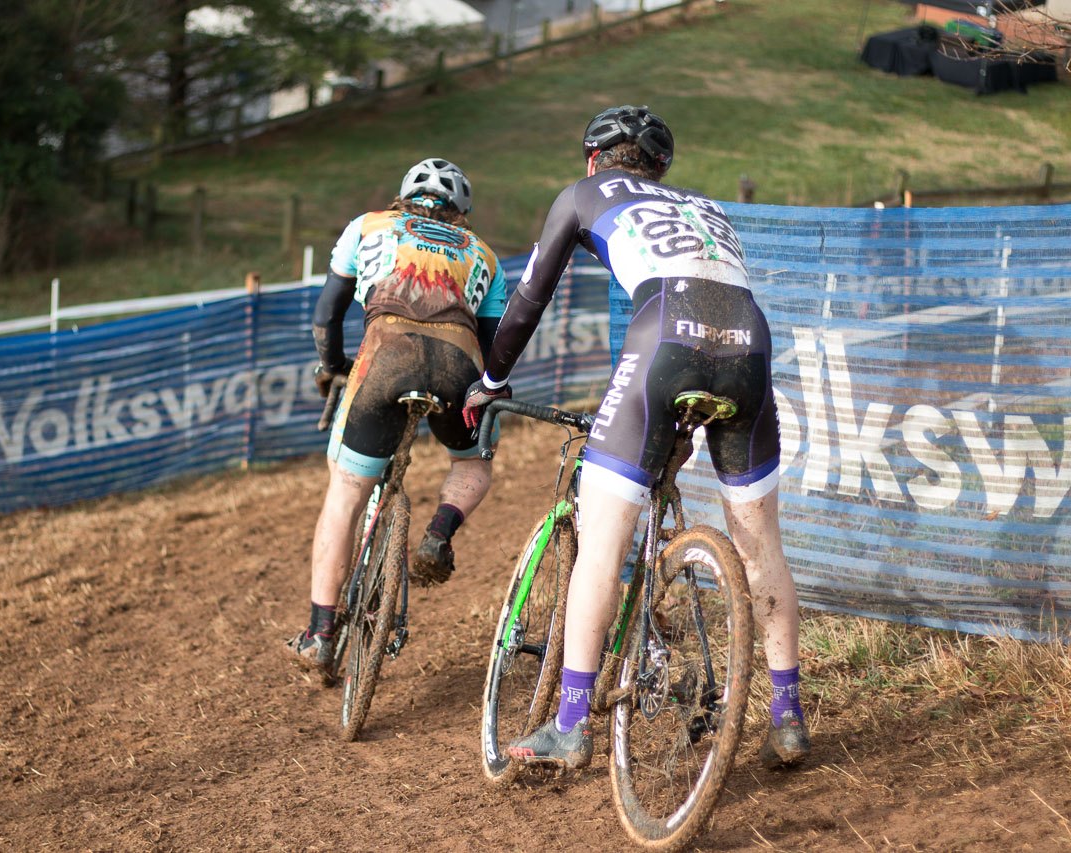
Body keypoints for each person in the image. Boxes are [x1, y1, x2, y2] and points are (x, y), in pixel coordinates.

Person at [461, 106, 810, 770]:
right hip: (750, 342)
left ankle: (569, 726)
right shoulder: (703, 208)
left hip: (667, 334)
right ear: (660, 168)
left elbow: (531, 298)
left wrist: (491, 377)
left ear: (595, 159)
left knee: (603, 533)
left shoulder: (584, 194)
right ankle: (788, 715)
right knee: (762, 542)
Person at [284, 157, 508, 676]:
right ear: (461, 211)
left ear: (403, 196)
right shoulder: (484, 254)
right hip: (459, 363)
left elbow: (327, 313)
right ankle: (438, 533)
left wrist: (332, 365)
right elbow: (496, 344)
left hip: (384, 355)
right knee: (472, 466)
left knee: (345, 493)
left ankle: (320, 633)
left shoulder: (368, 225)